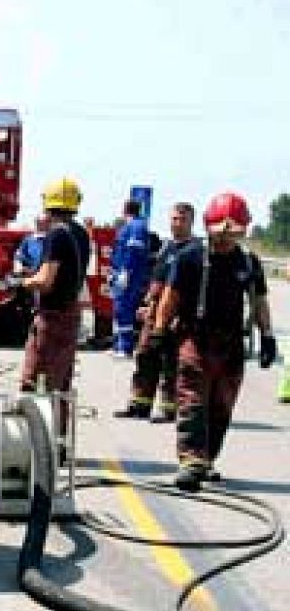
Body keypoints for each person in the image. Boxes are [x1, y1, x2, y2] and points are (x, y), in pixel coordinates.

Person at [147, 192, 276, 491]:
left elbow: (259, 301)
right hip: (196, 339)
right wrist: (158, 332)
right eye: (223, 231)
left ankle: (206, 460)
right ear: (209, 227)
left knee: (221, 407)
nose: (228, 239)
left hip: (231, 345)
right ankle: (191, 461)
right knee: (193, 401)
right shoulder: (190, 258)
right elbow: (170, 299)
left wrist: (267, 336)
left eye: (235, 232)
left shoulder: (248, 262)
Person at [115, 202, 196, 421]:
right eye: (174, 219)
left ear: (191, 222)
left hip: (176, 316)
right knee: (145, 356)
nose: (177, 223)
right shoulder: (167, 248)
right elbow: (157, 279)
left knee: (171, 362)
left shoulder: (194, 251)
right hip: (155, 313)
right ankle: (139, 404)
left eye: (182, 219)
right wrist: (147, 304)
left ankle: (169, 408)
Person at [15, 177, 91, 394]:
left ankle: (34, 427)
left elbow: (46, 281)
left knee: (33, 381)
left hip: (52, 317)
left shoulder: (57, 233)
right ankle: (60, 427)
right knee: (60, 384)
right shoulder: (81, 233)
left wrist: (20, 283)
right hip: (70, 313)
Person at [108, 198, 161, 356]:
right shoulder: (130, 226)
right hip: (122, 273)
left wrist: (126, 272)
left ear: (125, 210)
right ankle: (119, 345)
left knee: (125, 309)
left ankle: (125, 347)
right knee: (119, 309)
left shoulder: (136, 226)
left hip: (130, 275)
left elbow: (133, 251)